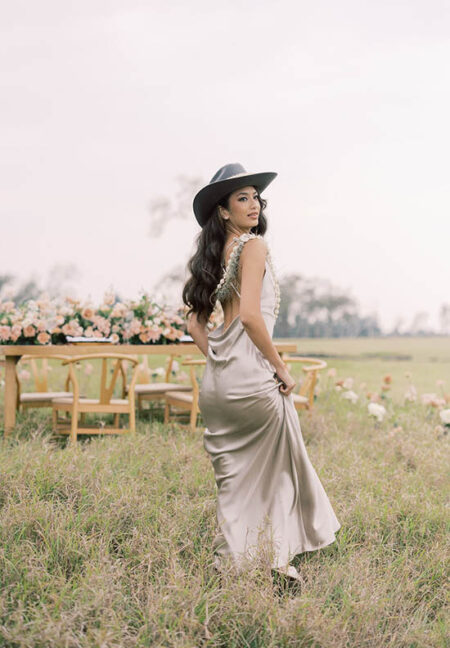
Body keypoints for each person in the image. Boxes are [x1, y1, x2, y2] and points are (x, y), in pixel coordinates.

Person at [182, 162, 341, 583]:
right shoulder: (253, 247)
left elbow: (195, 324)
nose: (253, 205)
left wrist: (219, 358)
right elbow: (251, 316)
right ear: (223, 210)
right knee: (276, 473)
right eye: (242, 198)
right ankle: (273, 561)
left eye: (256, 197)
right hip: (252, 380)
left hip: (218, 385)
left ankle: (235, 562)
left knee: (235, 480)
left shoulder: (211, 255)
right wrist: (281, 368)